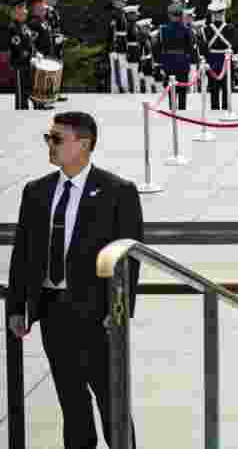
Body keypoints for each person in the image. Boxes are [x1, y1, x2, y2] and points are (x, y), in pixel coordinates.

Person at [6, 111, 143, 449]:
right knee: (72, 404)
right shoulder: (36, 191)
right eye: (48, 138)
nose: (50, 145)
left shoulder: (117, 191)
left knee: (112, 403)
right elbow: (23, 253)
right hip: (54, 312)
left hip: (99, 317)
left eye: (57, 139)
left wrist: (119, 311)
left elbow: (130, 258)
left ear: (84, 144)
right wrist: (17, 307)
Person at [156, 0, 195, 110]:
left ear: (169, 15)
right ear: (181, 15)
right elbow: (190, 47)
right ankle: (182, 111)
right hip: (182, 62)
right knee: (182, 90)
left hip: (168, 62)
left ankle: (172, 110)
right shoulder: (187, 30)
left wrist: (160, 63)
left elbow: (158, 47)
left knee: (171, 90)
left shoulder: (163, 30)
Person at [202, 1, 235, 110]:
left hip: (212, 59)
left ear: (212, 14)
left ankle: (214, 108)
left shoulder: (206, 29)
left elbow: (204, 48)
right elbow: (235, 46)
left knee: (213, 87)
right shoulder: (230, 28)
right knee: (226, 87)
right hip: (226, 59)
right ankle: (226, 108)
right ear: (223, 13)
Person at [8, 0, 35, 110]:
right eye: (22, 10)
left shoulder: (24, 26)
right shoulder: (14, 26)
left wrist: (34, 52)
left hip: (27, 61)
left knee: (26, 87)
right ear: (16, 12)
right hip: (19, 61)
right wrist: (27, 54)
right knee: (20, 88)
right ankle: (20, 108)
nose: (25, 12)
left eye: (25, 10)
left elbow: (29, 41)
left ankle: (25, 107)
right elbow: (17, 44)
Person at [106, 0, 129, 94]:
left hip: (121, 44)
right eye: (122, 1)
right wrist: (113, 48)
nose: (124, 3)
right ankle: (116, 88)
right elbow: (112, 32)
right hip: (117, 45)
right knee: (116, 68)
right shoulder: (114, 14)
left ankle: (122, 87)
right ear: (115, 3)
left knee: (122, 67)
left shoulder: (121, 13)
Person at [122, 5, 141, 94]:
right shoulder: (128, 25)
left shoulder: (135, 25)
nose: (136, 16)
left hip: (135, 51)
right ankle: (132, 89)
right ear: (129, 15)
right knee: (131, 71)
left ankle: (136, 89)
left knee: (135, 71)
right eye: (134, 14)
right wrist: (127, 52)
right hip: (130, 50)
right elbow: (125, 40)